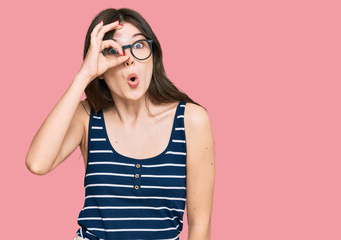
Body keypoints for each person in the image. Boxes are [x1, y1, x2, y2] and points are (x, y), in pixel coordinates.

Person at [25, 8, 215, 240]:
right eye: (113, 51)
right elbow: (37, 163)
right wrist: (84, 75)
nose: (129, 59)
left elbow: (200, 225)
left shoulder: (190, 121)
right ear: (101, 69)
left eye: (138, 45)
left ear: (153, 55)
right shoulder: (88, 116)